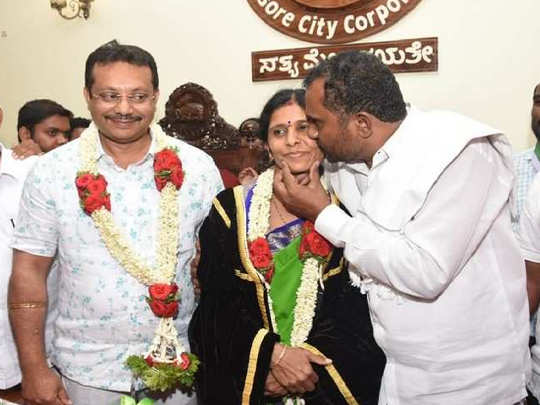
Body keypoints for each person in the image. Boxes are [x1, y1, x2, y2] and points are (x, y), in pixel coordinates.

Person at [273, 51, 530, 404]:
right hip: (393, 377)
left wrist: (324, 215)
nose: (313, 135)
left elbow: (425, 271)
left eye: (317, 123)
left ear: (362, 124)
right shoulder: (343, 161)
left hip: (471, 382)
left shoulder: (459, 153)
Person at [8, 40, 222, 405]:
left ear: (155, 97)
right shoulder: (52, 171)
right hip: (86, 370)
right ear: (87, 97)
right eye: (109, 96)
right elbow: (28, 272)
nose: (124, 108)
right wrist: (33, 369)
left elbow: (220, 264)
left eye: (138, 96)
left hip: (179, 364)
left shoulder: (197, 168)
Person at [188, 89, 385, 405]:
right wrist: (271, 357)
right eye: (279, 132)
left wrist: (302, 364)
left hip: (320, 377)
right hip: (247, 377)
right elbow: (216, 305)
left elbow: (354, 315)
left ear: (322, 134)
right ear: (267, 145)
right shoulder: (230, 211)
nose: (292, 140)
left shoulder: (347, 212)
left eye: (304, 128)